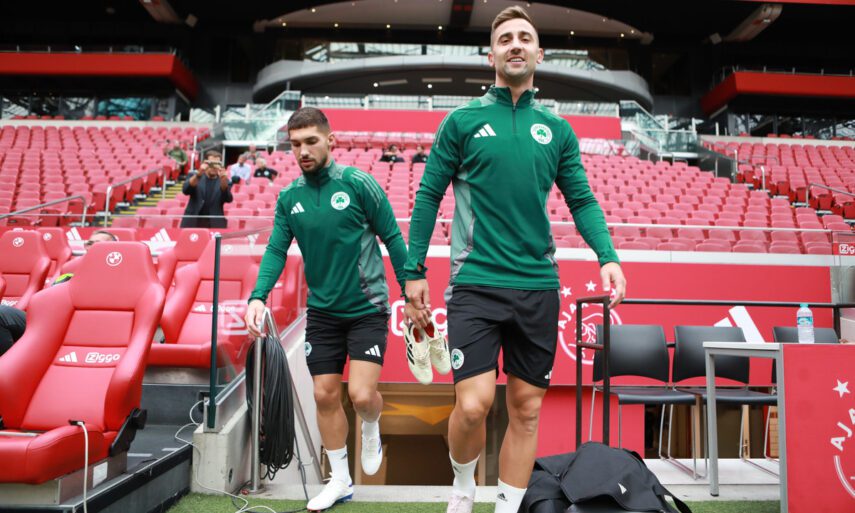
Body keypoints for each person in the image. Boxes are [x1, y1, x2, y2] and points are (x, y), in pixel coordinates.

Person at [403, 7, 626, 513]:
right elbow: (428, 195)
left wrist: (607, 256)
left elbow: (581, 199)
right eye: (505, 39)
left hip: (538, 285)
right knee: (474, 404)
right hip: (475, 282)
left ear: (539, 54)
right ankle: (463, 488)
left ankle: (508, 506)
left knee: (526, 410)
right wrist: (413, 270)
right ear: (492, 56)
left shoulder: (557, 130)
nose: (516, 44)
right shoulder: (462, 121)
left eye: (525, 37)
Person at [244, 107, 423, 511]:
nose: (303, 151)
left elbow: (393, 238)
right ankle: (340, 480)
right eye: (295, 144)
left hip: (366, 307)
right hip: (322, 312)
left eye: (311, 141)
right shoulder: (290, 198)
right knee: (324, 394)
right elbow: (276, 249)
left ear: (330, 140)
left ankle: (372, 425)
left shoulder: (359, 184)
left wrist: (409, 292)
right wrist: (258, 295)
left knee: (361, 395)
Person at [1, 230, 119, 356]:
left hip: (81, 327)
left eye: (97, 244)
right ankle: (10, 363)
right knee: (2, 313)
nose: (91, 247)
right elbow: (49, 298)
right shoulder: (70, 270)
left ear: (113, 248)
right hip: (47, 322)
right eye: (89, 243)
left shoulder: (119, 274)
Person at [180, 150, 233, 228]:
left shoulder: (224, 181)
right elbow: (186, 190)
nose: (214, 167)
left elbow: (228, 199)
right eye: (211, 164)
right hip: (193, 221)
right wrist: (199, 174)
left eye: (217, 164)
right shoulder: (194, 176)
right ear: (204, 163)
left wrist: (223, 179)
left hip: (214, 223)